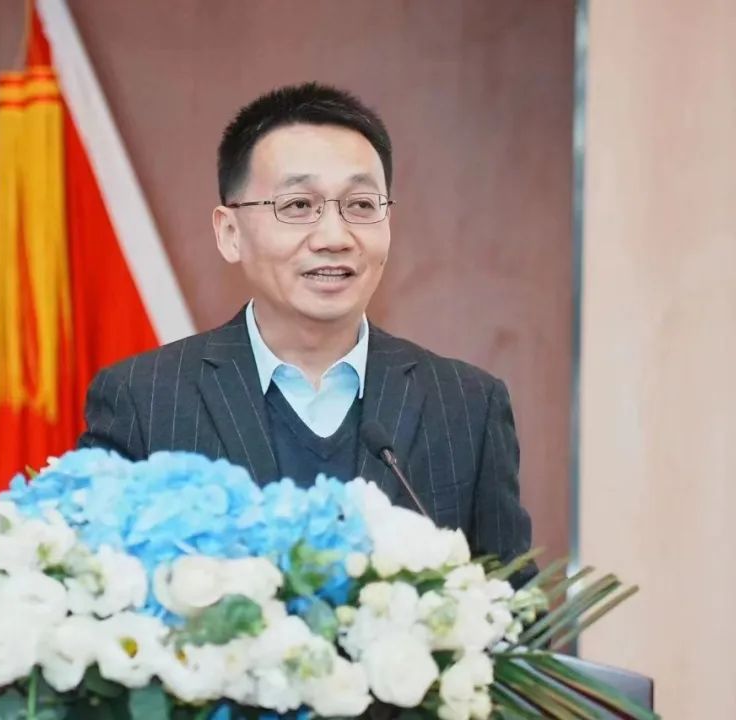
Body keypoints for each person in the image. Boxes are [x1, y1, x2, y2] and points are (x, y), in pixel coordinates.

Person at [78, 82, 532, 569]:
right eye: (298, 206)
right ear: (230, 233)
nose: (334, 237)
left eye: (361, 205)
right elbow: (93, 585)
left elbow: (512, 602)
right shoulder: (144, 400)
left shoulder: (466, 406)